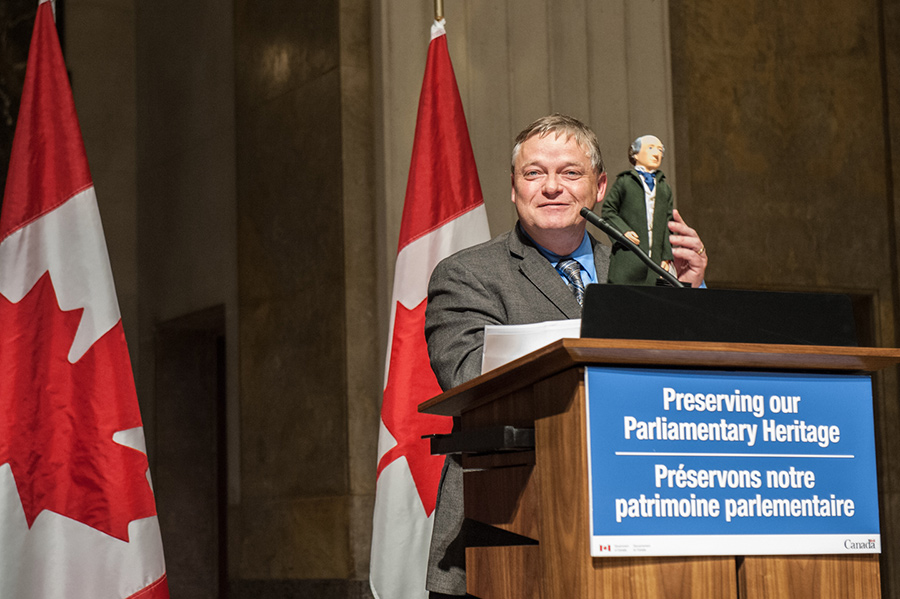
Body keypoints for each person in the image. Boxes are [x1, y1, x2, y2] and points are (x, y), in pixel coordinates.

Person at [423, 114, 708, 597]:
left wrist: (689, 294)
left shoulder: (640, 268)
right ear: (514, 189)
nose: (552, 187)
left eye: (570, 173)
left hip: (639, 520)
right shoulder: (468, 275)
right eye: (534, 173)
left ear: (599, 189)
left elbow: (690, 388)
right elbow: (468, 374)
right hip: (506, 533)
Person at [601, 134, 678, 285]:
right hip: (628, 256)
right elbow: (608, 211)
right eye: (650, 148)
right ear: (635, 154)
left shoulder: (664, 188)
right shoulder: (625, 182)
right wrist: (623, 232)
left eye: (660, 150)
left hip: (655, 261)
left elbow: (668, 225)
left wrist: (666, 256)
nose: (656, 153)